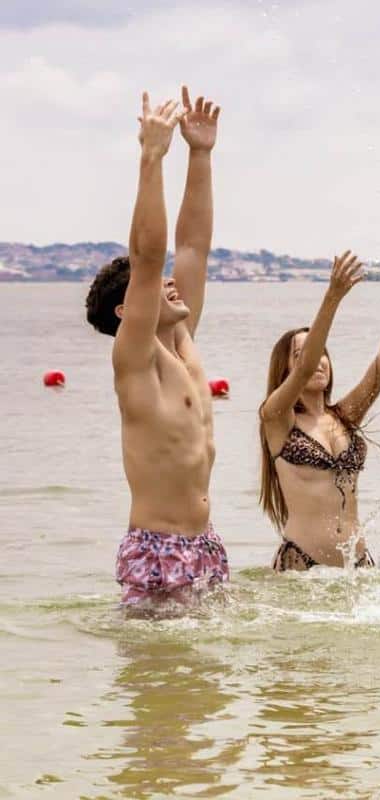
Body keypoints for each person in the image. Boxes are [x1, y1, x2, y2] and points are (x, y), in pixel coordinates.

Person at [85, 88, 226, 605]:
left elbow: (192, 246)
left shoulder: (183, 344)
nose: (170, 282)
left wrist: (201, 154)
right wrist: (152, 157)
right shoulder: (136, 360)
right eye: (154, 286)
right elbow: (148, 257)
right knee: (153, 659)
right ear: (128, 311)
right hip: (159, 548)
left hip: (204, 544)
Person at [259, 253, 380, 569]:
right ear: (286, 368)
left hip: (357, 567)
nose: (318, 361)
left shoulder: (343, 416)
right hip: (303, 565)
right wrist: (333, 297)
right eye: (303, 354)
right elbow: (305, 368)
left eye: (323, 353)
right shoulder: (276, 418)